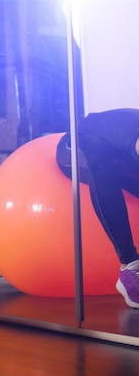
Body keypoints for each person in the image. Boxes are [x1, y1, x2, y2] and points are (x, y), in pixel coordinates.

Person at [56, 108, 139, 308]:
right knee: (101, 163)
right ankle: (129, 266)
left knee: (107, 159)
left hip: (118, 152)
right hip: (75, 145)